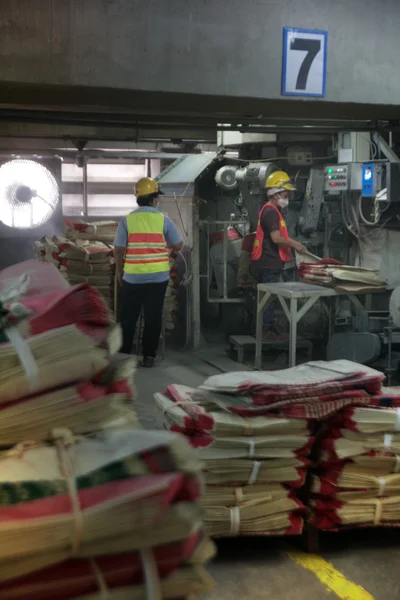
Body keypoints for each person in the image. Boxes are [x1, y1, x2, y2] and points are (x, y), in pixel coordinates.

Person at [114, 177, 183, 367]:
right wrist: (168, 249)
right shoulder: (164, 220)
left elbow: (118, 249)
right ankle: (149, 356)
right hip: (158, 277)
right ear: (153, 199)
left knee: (128, 318)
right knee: (153, 317)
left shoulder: (127, 221)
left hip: (133, 278)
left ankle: (124, 355)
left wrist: (119, 272)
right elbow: (178, 244)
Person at [252, 170, 308, 340]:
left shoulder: (275, 211)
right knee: (270, 298)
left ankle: (269, 330)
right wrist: (295, 244)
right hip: (268, 263)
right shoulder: (270, 212)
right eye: (285, 194)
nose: (288, 197)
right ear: (275, 194)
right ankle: (266, 331)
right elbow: (276, 238)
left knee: (271, 298)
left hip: (271, 262)